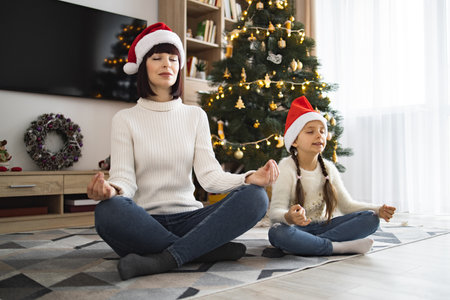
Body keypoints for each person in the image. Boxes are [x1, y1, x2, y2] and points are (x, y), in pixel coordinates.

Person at [87, 22, 279, 280]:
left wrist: (247, 178)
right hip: (144, 221)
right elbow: (124, 179)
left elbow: (209, 177)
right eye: (157, 58)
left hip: (191, 218)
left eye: (173, 59)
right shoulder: (125, 119)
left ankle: (164, 259)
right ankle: (201, 248)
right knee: (107, 211)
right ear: (143, 66)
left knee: (256, 197)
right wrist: (113, 190)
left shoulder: (195, 116)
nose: (167, 64)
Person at [267, 96, 395, 257]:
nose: (319, 135)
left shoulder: (328, 168)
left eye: (322, 131)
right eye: (310, 131)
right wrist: (289, 216)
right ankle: (336, 247)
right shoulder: (286, 168)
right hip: (295, 228)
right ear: (294, 141)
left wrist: (377, 209)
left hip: (324, 225)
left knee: (371, 219)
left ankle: (311, 244)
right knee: (277, 233)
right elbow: (274, 213)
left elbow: (347, 205)